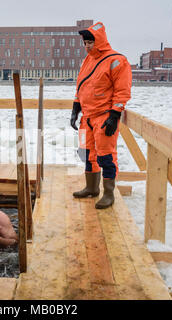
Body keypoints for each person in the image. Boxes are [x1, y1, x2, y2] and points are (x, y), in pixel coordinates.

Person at [71, 21, 132, 209]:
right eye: (85, 43)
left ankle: (108, 193)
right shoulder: (87, 61)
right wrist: (75, 108)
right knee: (88, 154)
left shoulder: (116, 60)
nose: (87, 46)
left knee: (106, 156)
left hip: (104, 116)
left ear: (99, 40)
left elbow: (122, 91)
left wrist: (114, 115)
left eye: (90, 42)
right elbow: (81, 86)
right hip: (87, 118)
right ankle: (91, 187)